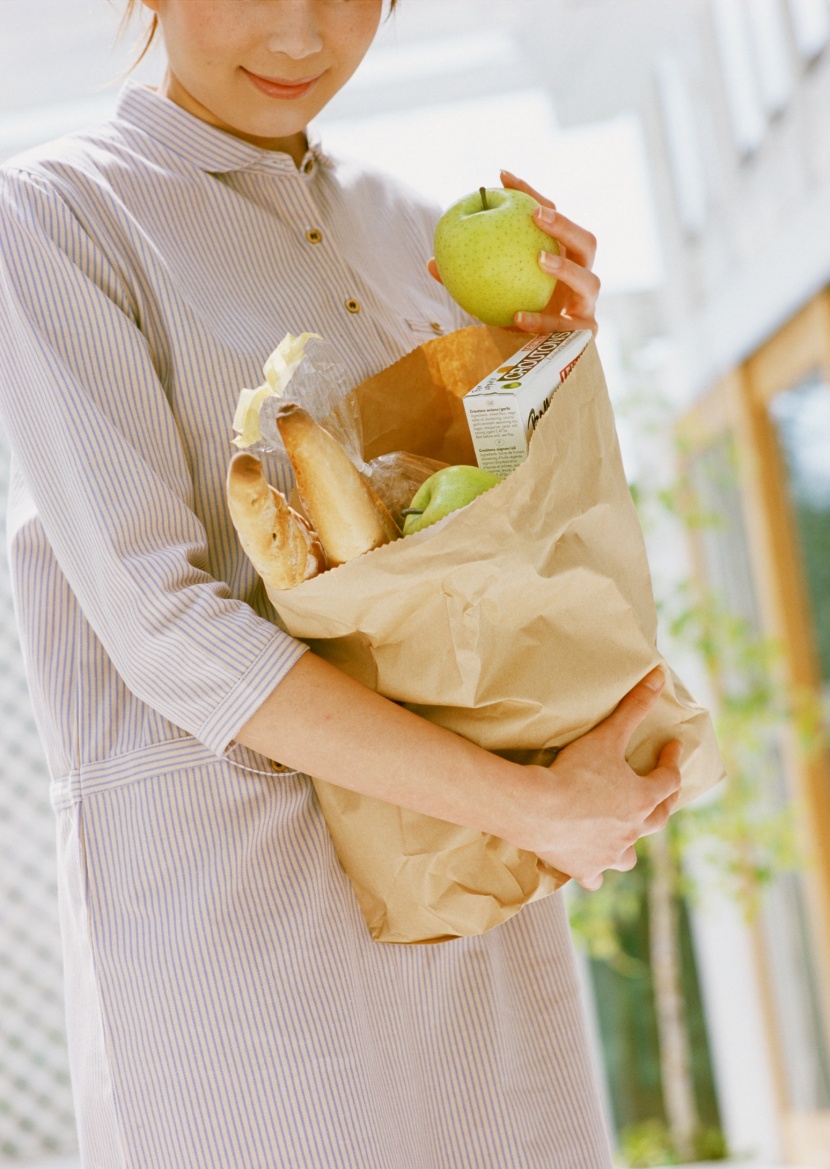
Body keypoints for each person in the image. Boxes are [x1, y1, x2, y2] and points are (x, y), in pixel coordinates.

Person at [0, 2, 682, 1165]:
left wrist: (545, 357)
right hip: (250, 930)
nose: (300, 35)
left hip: (473, 902)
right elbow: (167, 627)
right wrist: (530, 807)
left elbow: (487, 567)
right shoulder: (60, 220)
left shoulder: (409, 227)